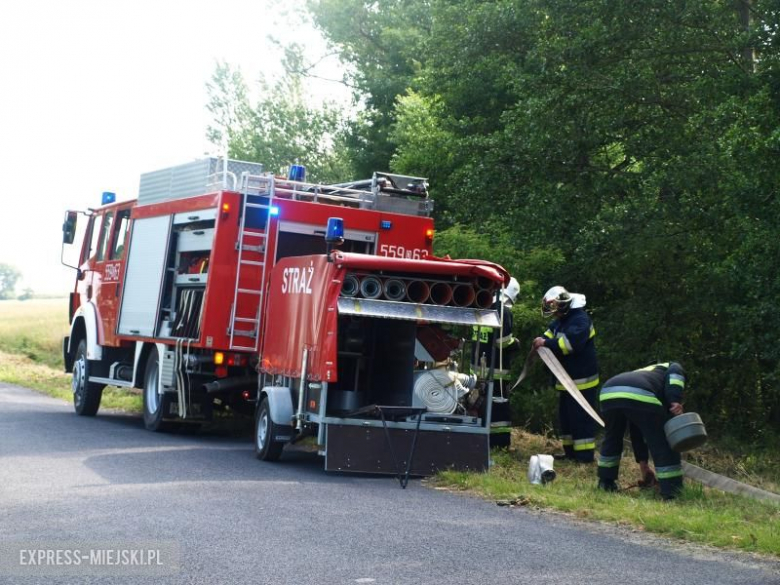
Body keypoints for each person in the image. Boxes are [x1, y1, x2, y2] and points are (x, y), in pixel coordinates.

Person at [596, 362, 686, 500]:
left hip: (608, 391)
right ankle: (672, 492)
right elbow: (675, 374)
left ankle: (605, 483)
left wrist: (644, 467)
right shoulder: (672, 365)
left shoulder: (645, 373)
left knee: (612, 438)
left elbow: (637, 431)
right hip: (639, 392)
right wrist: (675, 401)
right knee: (661, 442)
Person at [532, 286, 599, 462]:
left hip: (581, 382)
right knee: (567, 419)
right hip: (566, 380)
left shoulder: (580, 320)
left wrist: (545, 343)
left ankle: (584, 457)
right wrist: (541, 340)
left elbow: (569, 345)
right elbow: (549, 333)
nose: (554, 314)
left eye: (555, 309)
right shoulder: (562, 320)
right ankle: (570, 454)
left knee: (581, 420)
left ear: (563, 305)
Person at [472, 277, 520, 448]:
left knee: (481, 406)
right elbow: (503, 342)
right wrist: (516, 344)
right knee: (499, 409)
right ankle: (499, 445)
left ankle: (481, 440)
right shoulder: (503, 311)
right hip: (496, 371)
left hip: (478, 371)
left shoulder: (483, 307)